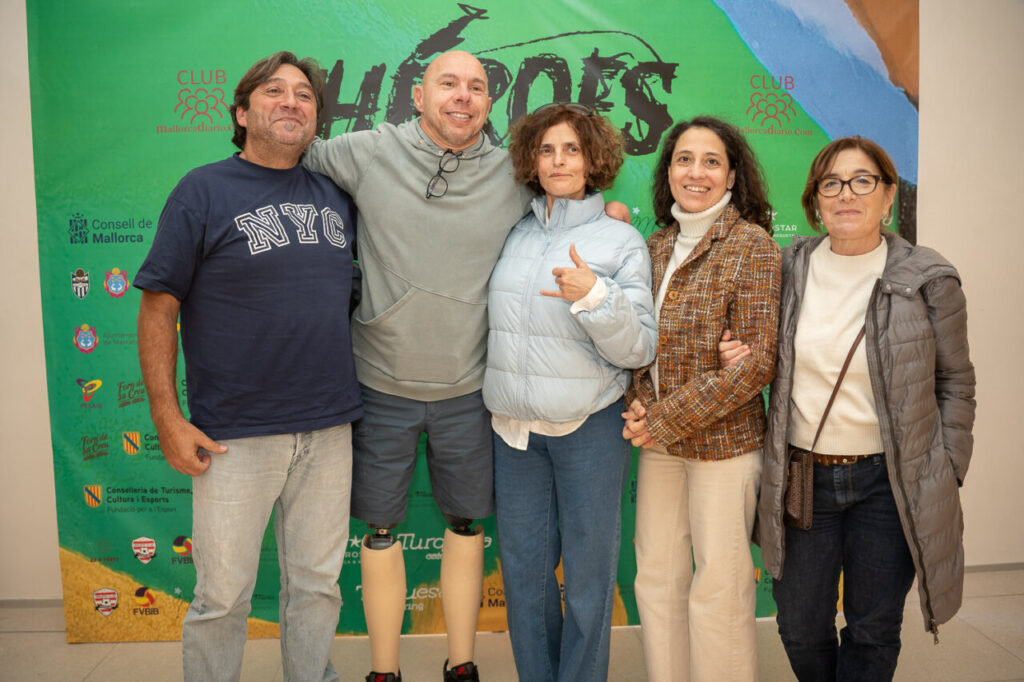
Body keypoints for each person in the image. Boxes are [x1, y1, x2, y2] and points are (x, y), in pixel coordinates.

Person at [302, 50, 628, 682]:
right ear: (418, 93)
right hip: (379, 383)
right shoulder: (365, 151)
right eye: (448, 83)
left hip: (472, 390)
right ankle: (384, 671)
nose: (462, 96)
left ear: (490, 102)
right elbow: (290, 157)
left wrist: (609, 213)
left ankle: (463, 665)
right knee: (378, 529)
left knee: (464, 522)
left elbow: (567, 198)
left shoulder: (514, 170)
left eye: (476, 87)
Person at [135, 52, 362, 682]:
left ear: (318, 117)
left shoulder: (337, 195)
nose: (292, 102)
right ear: (242, 112)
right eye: (274, 91)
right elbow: (158, 308)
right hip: (233, 434)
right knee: (222, 598)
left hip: (329, 427)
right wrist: (166, 416)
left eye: (305, 96)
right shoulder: (202, 189)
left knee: (317, 589)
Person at [728, 136, 976, 681]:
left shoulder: (928, 278)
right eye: (831, 182)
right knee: (798, 625)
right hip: (803, 479)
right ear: (815, 199)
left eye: (863, 180)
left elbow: (955, 382)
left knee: (872, 627)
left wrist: (947, 467)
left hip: (889, 482)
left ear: (889, 196)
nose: (847, 193)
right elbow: (752, 345)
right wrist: (735, 351)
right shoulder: (787, 266)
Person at [483, 103, 656, 681]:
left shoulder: (620, 238)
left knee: (587, 579)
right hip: (514, 433)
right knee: (526, 580)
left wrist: (595, 297)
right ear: (532, 159)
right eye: (547, 149)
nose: (559, 161)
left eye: (572, 150)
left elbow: (638, 351)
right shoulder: (514, 231)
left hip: (591, 429)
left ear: (594, 160)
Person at [621, 116, 781, 682]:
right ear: (668, 172)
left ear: (732, 174)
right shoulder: (655, 243)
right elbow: (637, 340)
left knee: (720, 586)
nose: (696, 172)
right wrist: (642, 404)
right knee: (657, 580)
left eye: (711, 161)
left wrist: (660, 418)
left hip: (723, 447)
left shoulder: (751, 245)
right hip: (659, 442)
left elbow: (757, 362)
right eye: (684, 159)